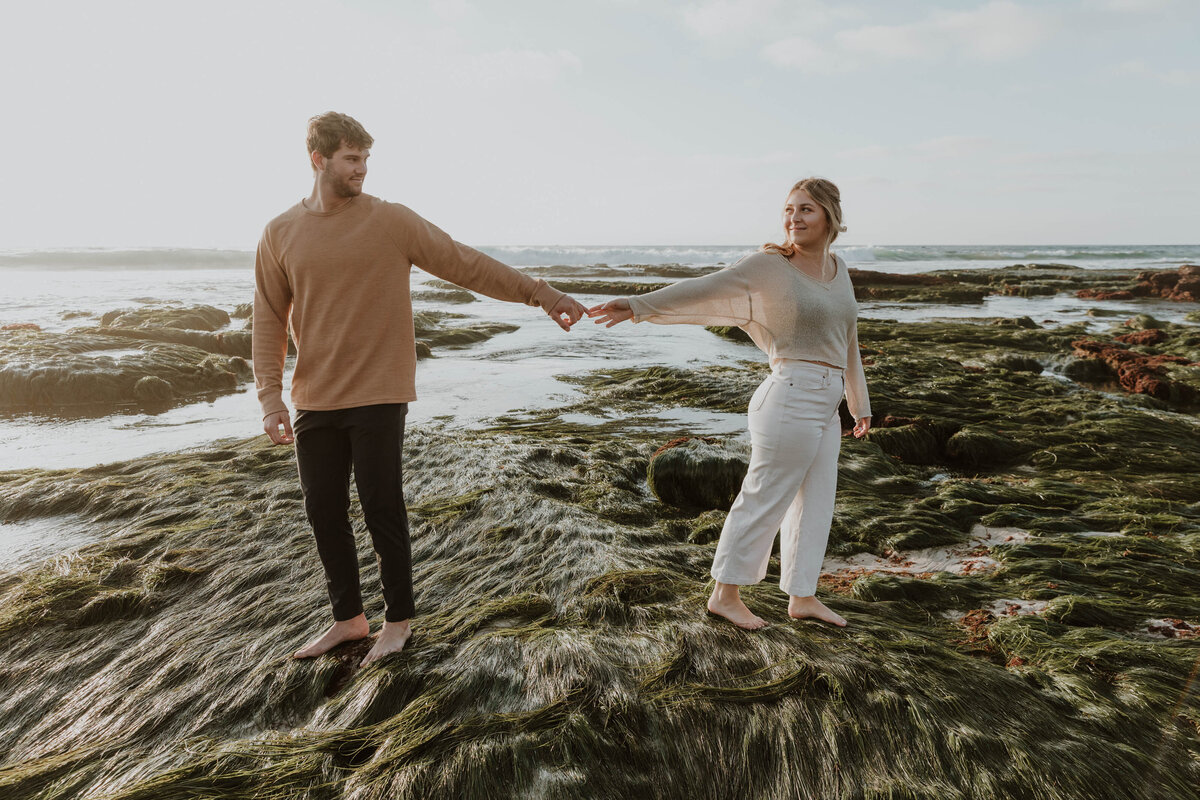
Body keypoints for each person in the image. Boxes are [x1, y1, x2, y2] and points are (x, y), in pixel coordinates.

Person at [253, 112, 588, 665]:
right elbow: (268, 318)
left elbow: (465, 264)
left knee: (382, 505)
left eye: (365, 159)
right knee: (323, 511)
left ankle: (398, 621)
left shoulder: (391, 221)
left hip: (379, 391)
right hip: (314, 395)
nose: (361, 169)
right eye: (351, 159)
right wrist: (270, 396)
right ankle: (349, 619)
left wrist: (541, 293)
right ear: (318, 160)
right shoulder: (280, 232)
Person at [588, 178, 870, 630]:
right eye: (789, 209)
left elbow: (849, 340)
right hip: (789, 395)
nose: (793, 218)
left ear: (830, 216)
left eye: (806, 210)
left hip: (827, 400)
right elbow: (707, 288)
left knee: (816, 501)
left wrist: (859, 402)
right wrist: (638, 305)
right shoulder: (770, 265)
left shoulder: (840, 270)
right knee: (765, 496)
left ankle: (803, 596)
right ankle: (725, 593)